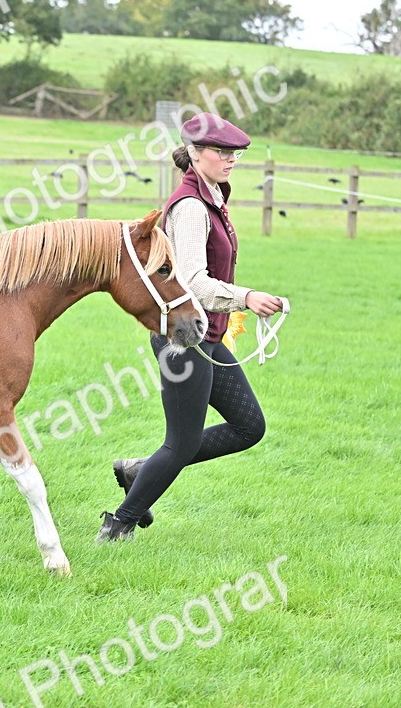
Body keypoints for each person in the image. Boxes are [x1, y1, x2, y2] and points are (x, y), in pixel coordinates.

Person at [97, 112, 284, 542]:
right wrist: (246, 297)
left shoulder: (212, 196)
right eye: (221, 151)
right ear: (196, 153)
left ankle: (139, 471)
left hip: (206, 336)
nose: (230, 159)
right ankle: (118, 525)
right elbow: (194, 282)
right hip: (182, 341)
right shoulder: (191, 207)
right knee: (180, 443)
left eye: (235, 153)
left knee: (249, 426)